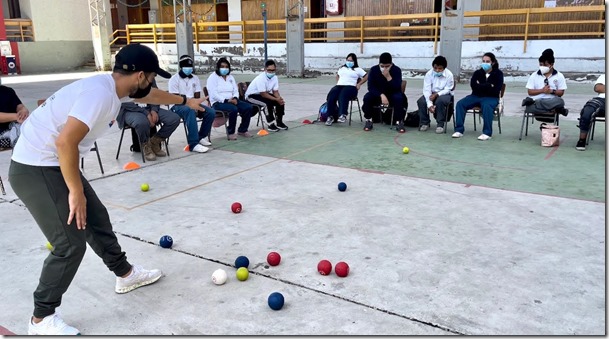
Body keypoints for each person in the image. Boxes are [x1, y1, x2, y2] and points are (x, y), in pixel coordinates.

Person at [8, 43, 205, 335]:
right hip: (35, 166)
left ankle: (125, 275)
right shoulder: (99, 95)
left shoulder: (114, 88)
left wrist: (184, 100)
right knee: (68, 243)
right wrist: (75, 192)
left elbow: (151, 95)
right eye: (151, 77)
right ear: (139, 75)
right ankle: (41, 318)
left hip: (53, 161)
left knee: (96, 218)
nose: (152, 83)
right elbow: (65, 143)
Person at [117, 79, 181, 161]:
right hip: (131, 110)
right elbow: (124, 102)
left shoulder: (148, 75)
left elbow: (155, 95)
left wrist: (154, 110)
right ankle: (145, 145)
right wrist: (146, 113)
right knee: (142, 122)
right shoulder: (125, 77)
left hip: (149, 107)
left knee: (173, 119)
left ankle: (155, 141)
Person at [168, 55, 216, 153]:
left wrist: (195, 104)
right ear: (181, 67)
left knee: (210, 112)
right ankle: (193, 144)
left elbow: (197, 95)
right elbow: (176, 98)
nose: (189, 69)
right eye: (186, 66)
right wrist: (190, 105)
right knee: (189, 111)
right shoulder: (174, 79)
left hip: (192, 103)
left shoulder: (195, 78)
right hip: (178, 106)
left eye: (190, 66)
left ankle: (200, 137)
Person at [452, 52, 504, 141]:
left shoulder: (498, 73)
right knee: (460, 104)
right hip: (475, 96)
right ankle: (459, 130)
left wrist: (481, 85)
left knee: (486, 105)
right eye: (483, 61)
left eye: (487, 61)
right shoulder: (477, 73)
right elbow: (473, 86)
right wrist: (489, 85)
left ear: (493, 62)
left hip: (491, 97)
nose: (485, 63)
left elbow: (496, 89)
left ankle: (487, 133)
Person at [207, 58, 254, 140]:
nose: (224, 69)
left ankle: (242, 130)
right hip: (218, 102)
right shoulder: (212, 77)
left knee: (248, 107)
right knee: (233, 109)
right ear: (218, 67)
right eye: (222, 66)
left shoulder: (230, 77)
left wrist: (235, 98)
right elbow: (213, 94)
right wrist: (226, 100)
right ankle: (230, 132)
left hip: (232, 100)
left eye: (226, 67)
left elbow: (235, 90)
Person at [362, 52, 405, 132]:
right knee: (367, 97)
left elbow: (397, 87)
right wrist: (381, 95)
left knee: (399, 98)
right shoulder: (374, 70)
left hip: (392, 93)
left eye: (387, 66)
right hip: (378, 94)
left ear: (391, 64)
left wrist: (388, 77)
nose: (384, 68)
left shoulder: (396, 70)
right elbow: (370, 87)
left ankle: (399, 121)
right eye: (382, 66)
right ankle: (369, 119)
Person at [244, 59, 288, 132]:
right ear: (265, 69)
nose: (271, 72)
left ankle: (279, 122)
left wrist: (279, 98)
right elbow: (263, 94)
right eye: (269, 70)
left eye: (273, 70)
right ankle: (270, 124)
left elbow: (275, 91)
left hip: (263, 95)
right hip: (252, 96)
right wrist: (276, 99)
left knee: (281, 102)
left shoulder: (275, 78)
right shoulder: (261, 78)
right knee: (266, 104)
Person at [324, 53, 368, 126]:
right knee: (332, 94)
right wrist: (338, 82)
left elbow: (366, 76)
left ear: (354, 61)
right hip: (340, 86)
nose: (349, 62)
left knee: (343, 94)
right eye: (348, 60)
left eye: (351, 61)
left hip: (351, 87)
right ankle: (331, 116)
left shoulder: (357, 69)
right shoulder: (342, 68)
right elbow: (337, 75)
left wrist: (359, 84)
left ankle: (342, 114)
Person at [522, 48, 568, 116]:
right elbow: (530, 92)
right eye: (541, 65)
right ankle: (555, 109)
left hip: (551, 101)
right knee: (530, 106)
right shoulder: (534, 75)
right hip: (537, 101)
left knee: (560, 101)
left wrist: (552, 91)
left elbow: (561, 93)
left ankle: (549, 107)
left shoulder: (559, 76)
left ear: (551, 64)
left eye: (545, 65)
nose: (542, 67)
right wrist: (542, 91)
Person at [417, 55, 454, 134]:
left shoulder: (449, 75)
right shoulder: (429, 74)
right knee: (421, 101)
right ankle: (424, 122)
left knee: (440, 101)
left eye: (440, 68)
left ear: (444, 68)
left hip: (445, 94)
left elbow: (448, 89)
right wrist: (429, 105)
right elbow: (427, 90)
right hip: (431, 93)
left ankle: (440, 124)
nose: (437, 70)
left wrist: (437, 94)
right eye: (435, 68)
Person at [576, 74, 605, 151]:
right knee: (588, 109)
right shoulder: (604, 76)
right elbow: (598, 88)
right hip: (601, 100)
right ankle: (582, 140)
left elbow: (602, 88)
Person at [0, 80, 29, 149]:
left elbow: (19, 105)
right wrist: (16, 117)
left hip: (13, 127)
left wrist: (23, 110)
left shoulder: (7, 91)